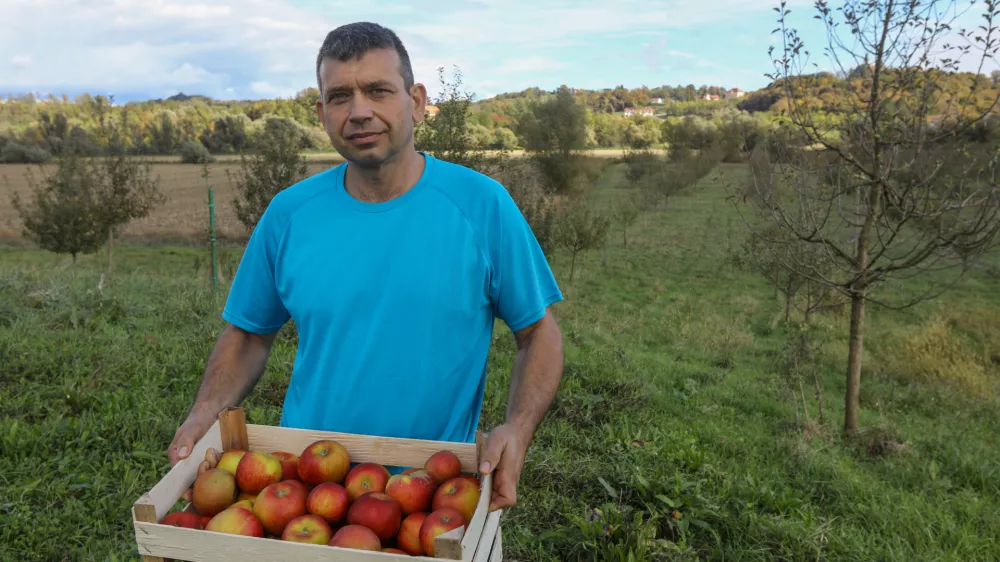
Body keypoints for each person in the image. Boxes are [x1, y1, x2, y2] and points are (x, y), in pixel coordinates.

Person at [166, 21, 564, 513]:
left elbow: (538, 333)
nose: (359, 112)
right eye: (339, 97)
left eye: (378, 90)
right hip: (305, 492)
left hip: (431, 493)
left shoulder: (482, 206)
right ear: (321, 113)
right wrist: (204, 413)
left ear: (415, 101)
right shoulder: (290, 214)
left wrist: (516, 430)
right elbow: (248, 335)